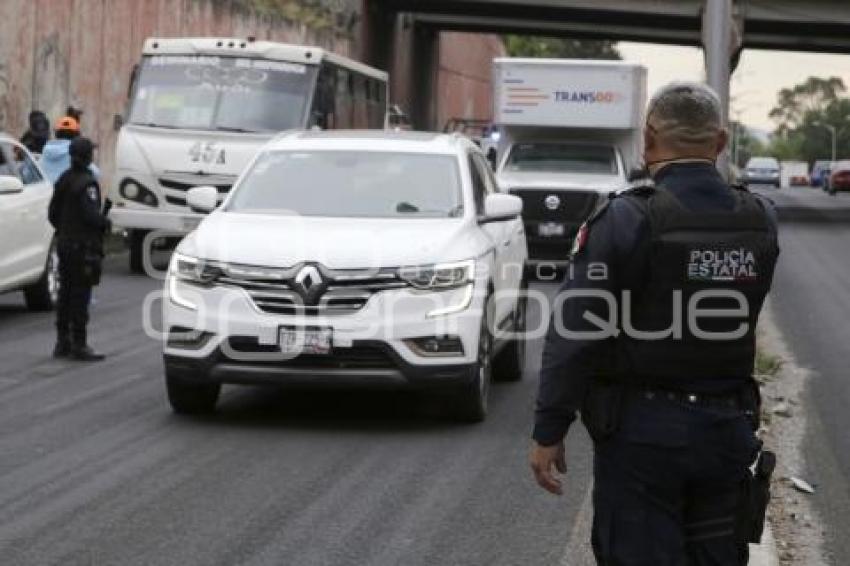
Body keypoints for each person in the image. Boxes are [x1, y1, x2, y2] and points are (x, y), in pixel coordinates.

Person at [529, 82, 780, 565]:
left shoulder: (626, 217)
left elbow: (574, 334)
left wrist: (549, 429)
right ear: (721, 143)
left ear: (647, 139)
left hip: (644, 439)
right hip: (728, 432)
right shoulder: (759, 218)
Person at [48, 137, 110, 361]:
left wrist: (65, 230)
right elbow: (91, 216)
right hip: (82, 247)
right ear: (87, 157)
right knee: (80, 294)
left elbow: (52, 213)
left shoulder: (63, 179)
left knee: (65, 292)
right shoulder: (87, 183)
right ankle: (79, 343)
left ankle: (62, 342)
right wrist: (104, 222)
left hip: (64, 244)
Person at [40, 115, 100, 184]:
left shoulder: (45, 152)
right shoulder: (76, 153)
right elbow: (95, 173)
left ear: (56, 134)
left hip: (45, 193)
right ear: (77, 135)